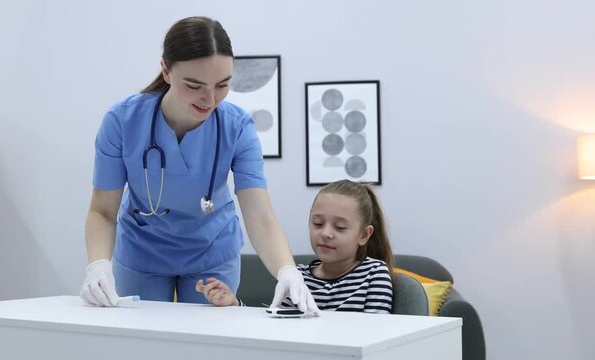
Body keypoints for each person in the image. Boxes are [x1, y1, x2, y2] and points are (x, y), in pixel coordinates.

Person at [79, 16, 318, 315]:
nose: (210, 99)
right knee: (140, 343)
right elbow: (102, 210)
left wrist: (286, 270)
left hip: (211, 252)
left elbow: (260, 215)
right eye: (194, 85)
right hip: (143, 251)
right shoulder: (122, 122)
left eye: (223, 85)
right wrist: (99, 264)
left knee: (209, 344)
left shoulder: (237, 127)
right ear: (166, 70)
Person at [196, 179, 394, 314]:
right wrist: (233, 304)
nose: (325, 233)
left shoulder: (374, 274)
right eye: (317, 223)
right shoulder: (298, 277)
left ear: (364, 235)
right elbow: (276, 329)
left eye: (340, 227)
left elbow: (374, 337)